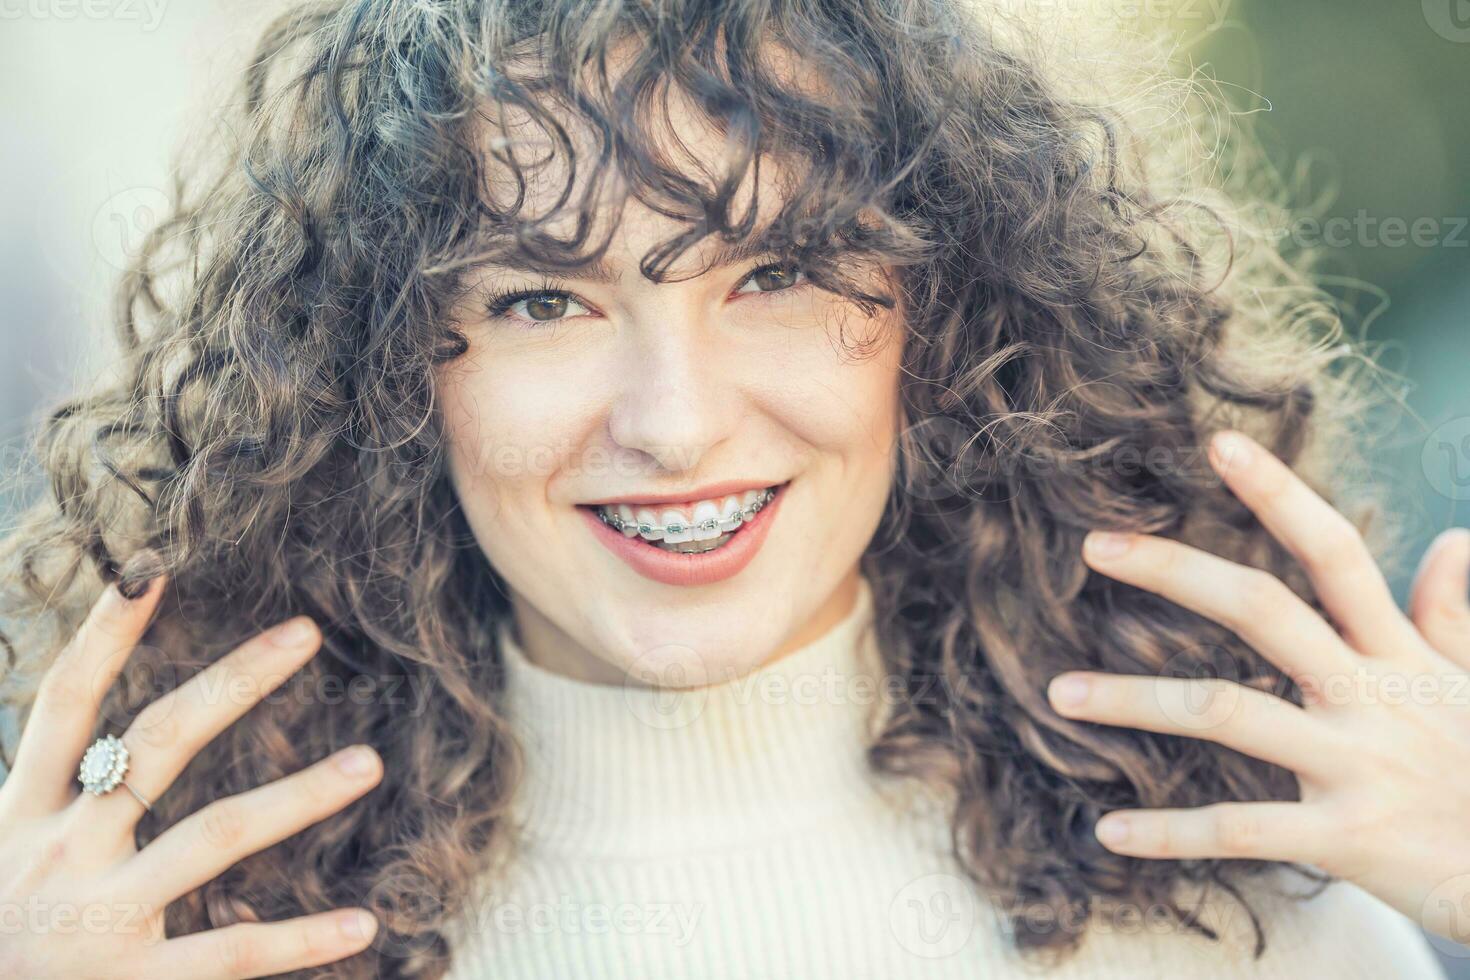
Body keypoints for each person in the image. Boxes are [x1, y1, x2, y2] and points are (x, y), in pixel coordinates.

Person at [0, 1, 1464, 977]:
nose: (676, 425)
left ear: (945, 324)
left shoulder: (1247, 894)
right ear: (379, 376)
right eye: (538, 303)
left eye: (778, 275)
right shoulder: (175, 938)